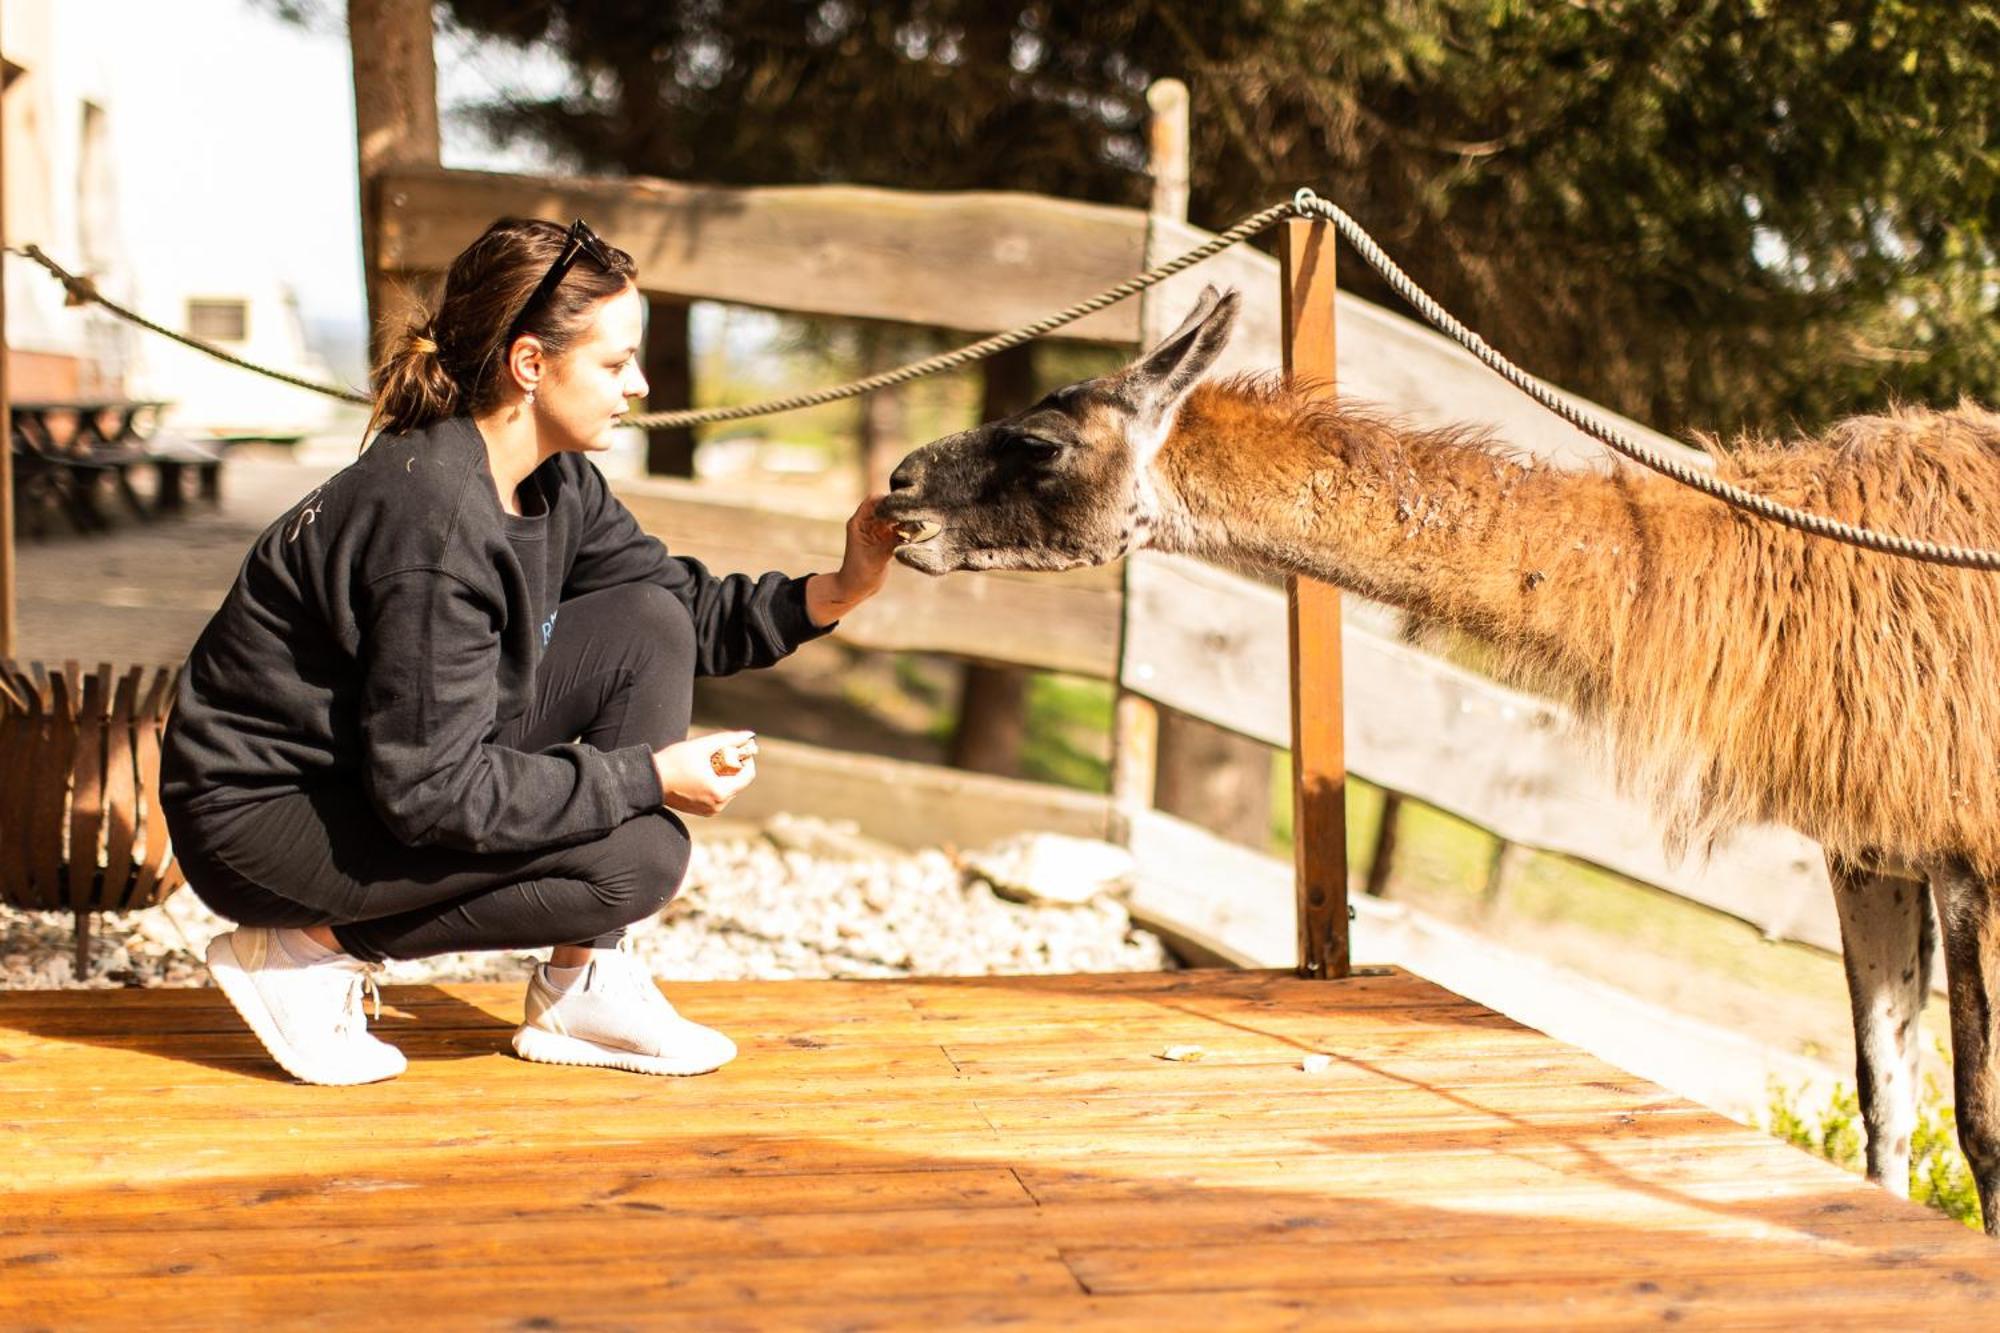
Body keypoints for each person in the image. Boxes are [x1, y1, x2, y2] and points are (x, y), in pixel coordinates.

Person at [160, 217, 898, 1086]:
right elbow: (433, 794)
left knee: (646, 620)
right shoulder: (434, 524)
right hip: (267, 816)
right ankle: (303, 949)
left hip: (372, 768)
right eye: (617, 363)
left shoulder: (551, 479)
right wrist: (646, 778)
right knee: (639, 857)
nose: (641, 385)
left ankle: (585, 980)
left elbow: (681, 610)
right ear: (530, 364)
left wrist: (842, 585)